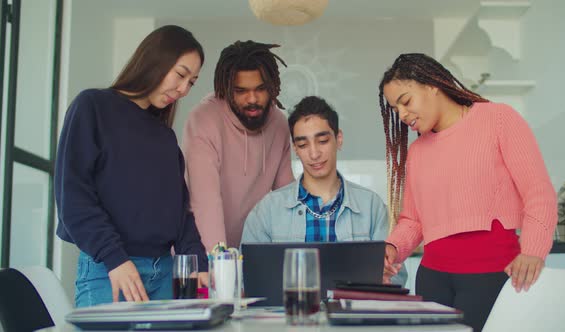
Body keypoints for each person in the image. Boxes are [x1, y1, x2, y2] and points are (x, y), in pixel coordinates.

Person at [377, 53, 557, 331]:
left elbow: (538, 192)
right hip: (432, 280)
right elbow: (413, 220)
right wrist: (393, 248)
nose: (401, 115)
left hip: (491, 276)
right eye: (395, 109)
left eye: (405, 101)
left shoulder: (498, 119)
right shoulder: (417, 151)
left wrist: (533, 251)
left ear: (430, 85)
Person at [55, 25, 208, 307]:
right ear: (155, 60)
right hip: (110, 272)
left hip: (165, 275)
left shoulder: (165, 137)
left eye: (192, 82)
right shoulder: (92, 107)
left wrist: (199, 263)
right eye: (181, 74)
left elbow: (180, 213)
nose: (184, 89)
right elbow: (73, 197)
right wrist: (115, 259)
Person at [241, 96, 407, 286]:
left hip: (352, 314)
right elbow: (248, 278)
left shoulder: (371, 206)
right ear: (295, 148)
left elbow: (398, 276)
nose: (314, 154)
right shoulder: (267, 210)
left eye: (322, 141)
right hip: (290, 313)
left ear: (339, 139)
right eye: (303, 145)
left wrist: (385, 275)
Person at [182, 40, 294, 251]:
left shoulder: (278, 123)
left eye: (260, 89)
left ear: (272, 87)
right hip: (202, 255)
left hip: (249, 254)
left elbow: (286, 197)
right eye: (241, 91)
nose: (252, 99)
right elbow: (206, 203)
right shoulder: (204, 119)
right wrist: (220, 266)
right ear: (226, 89)